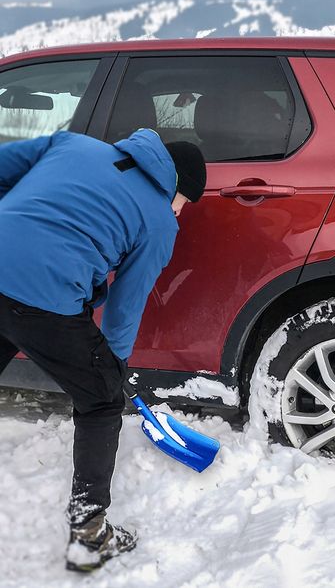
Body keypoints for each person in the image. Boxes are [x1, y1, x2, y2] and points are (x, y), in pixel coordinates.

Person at [0, 128, 206, 572]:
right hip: (43, 300)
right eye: (184, 202)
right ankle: (90, 532)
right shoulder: (158, 221)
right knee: (100, 403)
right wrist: (112, 368)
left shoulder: (72, 144)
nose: (179, 211)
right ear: (175, 186)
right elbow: (123, 310)